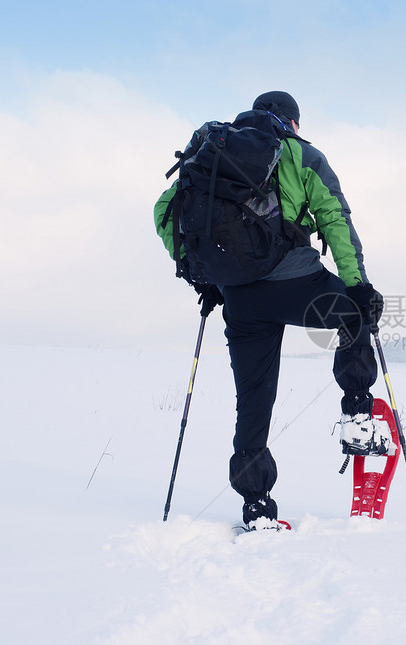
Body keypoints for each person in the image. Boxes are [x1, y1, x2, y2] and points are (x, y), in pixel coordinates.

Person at [154, 91, 391, 527]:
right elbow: (335, 218)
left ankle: (256, 506)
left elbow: (165, 211)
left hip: (241, 299)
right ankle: (358, 416)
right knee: (352, 316)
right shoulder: (302, 154)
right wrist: (358, 287)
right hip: (297, 283)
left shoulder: (211, 153)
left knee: (253, 401)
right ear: (293, 122)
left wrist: (206, 279)